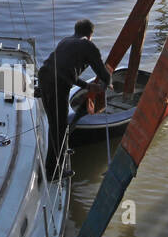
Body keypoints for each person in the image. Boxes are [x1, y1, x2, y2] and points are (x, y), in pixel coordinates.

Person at [37, 19, 112, 180]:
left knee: (54, 124)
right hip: (57, 84)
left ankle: (55, 161)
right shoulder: (87, 45)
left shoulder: (66, 41)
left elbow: (67, 71)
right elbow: (102, 70)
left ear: (75, 30)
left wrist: (86, 85)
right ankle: (53, 172)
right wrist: (108, 82)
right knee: (60, 128)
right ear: (90, 34)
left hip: (44, 78)